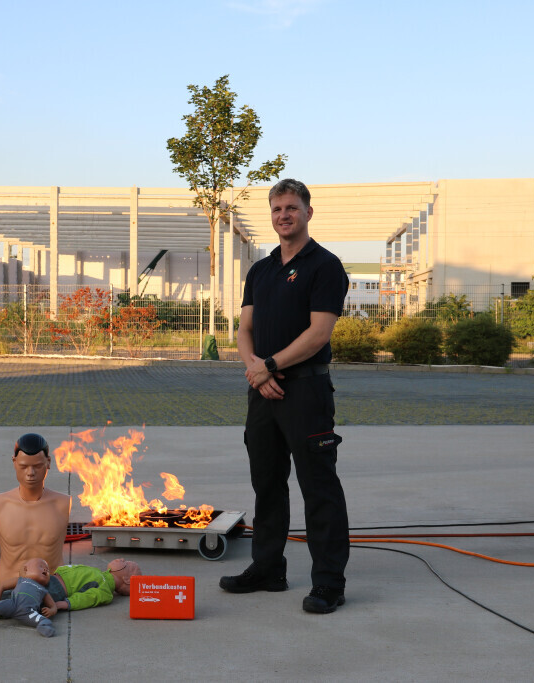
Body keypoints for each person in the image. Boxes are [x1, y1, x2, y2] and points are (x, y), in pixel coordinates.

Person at [219, 178, 351, 615]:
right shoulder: (261, 269)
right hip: (263, 391)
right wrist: (257, 373)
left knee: (319, 488)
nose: (284, 215)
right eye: (277, 209)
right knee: (267, 485)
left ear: (308, 212)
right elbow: (244, 331)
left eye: (292, 207)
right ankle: (268, 569)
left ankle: (329, 583)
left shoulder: (324, 266)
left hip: (306, 391)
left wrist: (270, 366)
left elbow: (318, 335)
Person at [0, 433, 71, 602]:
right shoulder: (0, 503)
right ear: (14, 463)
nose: (30, 473)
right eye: (23, 466)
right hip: (9, 588)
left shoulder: (62, 503)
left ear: (48, 463)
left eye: (38, 466)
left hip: (52, 588)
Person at [0, 558, 142, 615]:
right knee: (16, 591)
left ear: (127, 579)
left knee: (21, 600)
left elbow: (87, 598)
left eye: (126, 563)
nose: (122, 559)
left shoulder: (105, 591)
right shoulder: (99, 573)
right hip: (51, 579)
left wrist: (61, 604)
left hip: (55, 591)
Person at [0, 557, 58, 637]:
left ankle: (45, 629)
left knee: (43, 620)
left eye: (47, 569)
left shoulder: (43, 590)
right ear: (26, 569)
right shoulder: (21, 580)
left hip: (29, 611)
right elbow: (1, 586)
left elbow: (53, 605)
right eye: (41, 566)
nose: (45, 570)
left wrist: (51, 611)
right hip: (12, 604)